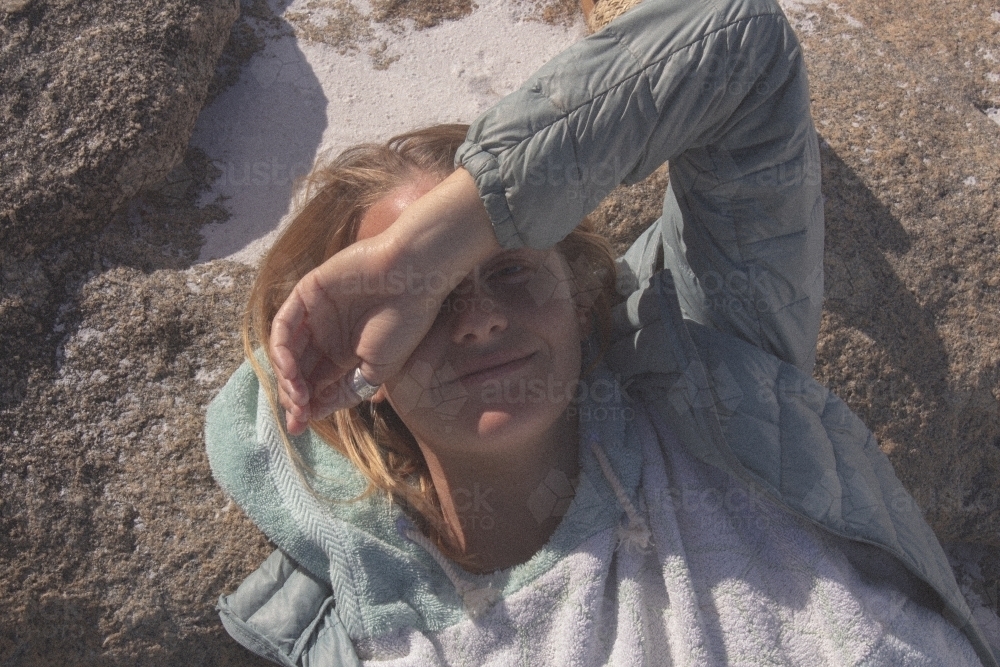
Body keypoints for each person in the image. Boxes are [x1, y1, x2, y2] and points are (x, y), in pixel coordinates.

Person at [205, 0, 999, 663]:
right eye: (425, 298)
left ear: (583, 302)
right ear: (358, 378)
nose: (479, 316)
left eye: (509, 269)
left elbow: (739, 41)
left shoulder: (710, 369)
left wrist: (431, 243)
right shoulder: (378, 627)